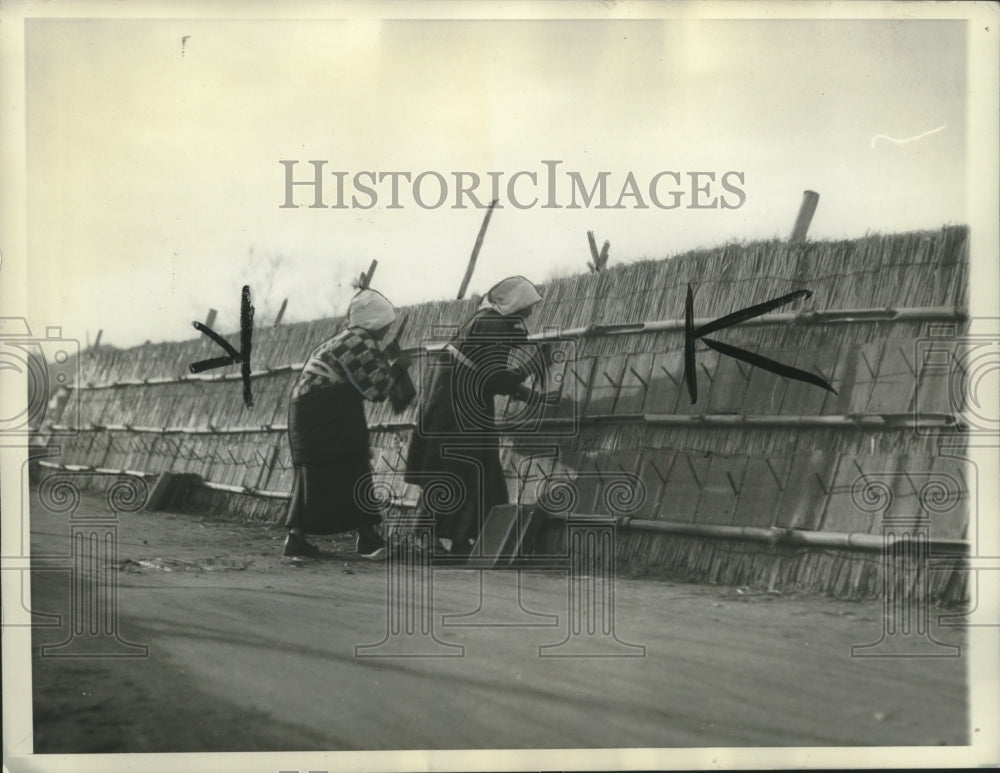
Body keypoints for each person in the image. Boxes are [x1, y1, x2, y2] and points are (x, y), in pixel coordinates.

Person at [404, 275, 552, 557]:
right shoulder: (492, 325)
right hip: (453, 403)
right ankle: (423, 535)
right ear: (516, 305)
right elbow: (494, 380)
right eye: (528, 306)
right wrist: (533, 365)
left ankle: (462, 539)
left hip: (463, 398)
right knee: (451, 466)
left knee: (479, 467)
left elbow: (487, 376)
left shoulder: (491, 322)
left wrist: (526, 392)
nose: (531, 312)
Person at [282, 289, 409, 559]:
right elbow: (378, 389)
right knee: (353, 465)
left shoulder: (348, 339)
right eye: (385, 326)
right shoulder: (359, 341)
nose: (387, 331)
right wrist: (398, 367)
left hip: (308, 410)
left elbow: (361, 377)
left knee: (313, 475)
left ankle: (296, 539)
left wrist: (385, 362)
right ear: (375, 322)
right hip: (324, 411)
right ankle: (368, 539)